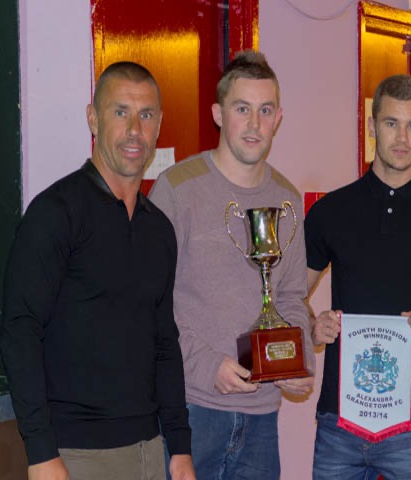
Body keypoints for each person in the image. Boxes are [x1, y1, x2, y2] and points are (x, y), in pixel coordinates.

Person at [0, 62, 195, 480]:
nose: (134, 130)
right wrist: (41, 452)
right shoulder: (56, 213)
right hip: (73, 455)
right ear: (93, 118)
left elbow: (165, 343)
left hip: (150, 450)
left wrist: (179, 447)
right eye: (120, 112)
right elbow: (20, 331)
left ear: (159, 125)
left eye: (146, 115)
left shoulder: (159, 230)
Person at [149, 49, 314, 479]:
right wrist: (206, 366)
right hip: (189, 410)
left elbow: (291, 296)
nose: (254, 124)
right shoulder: (176, 190)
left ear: (279, 118)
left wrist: (298, 361)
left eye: (265, 110)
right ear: (218, 114)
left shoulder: (287, 198)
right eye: (242, 109)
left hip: (261, 418)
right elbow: (150, 304)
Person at [305, 74, 411, 479]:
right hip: (340, 420)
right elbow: (288, 295)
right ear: (372, 127)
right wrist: (312, 326)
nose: (402, 137)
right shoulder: (331, 212)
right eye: (391, 123)